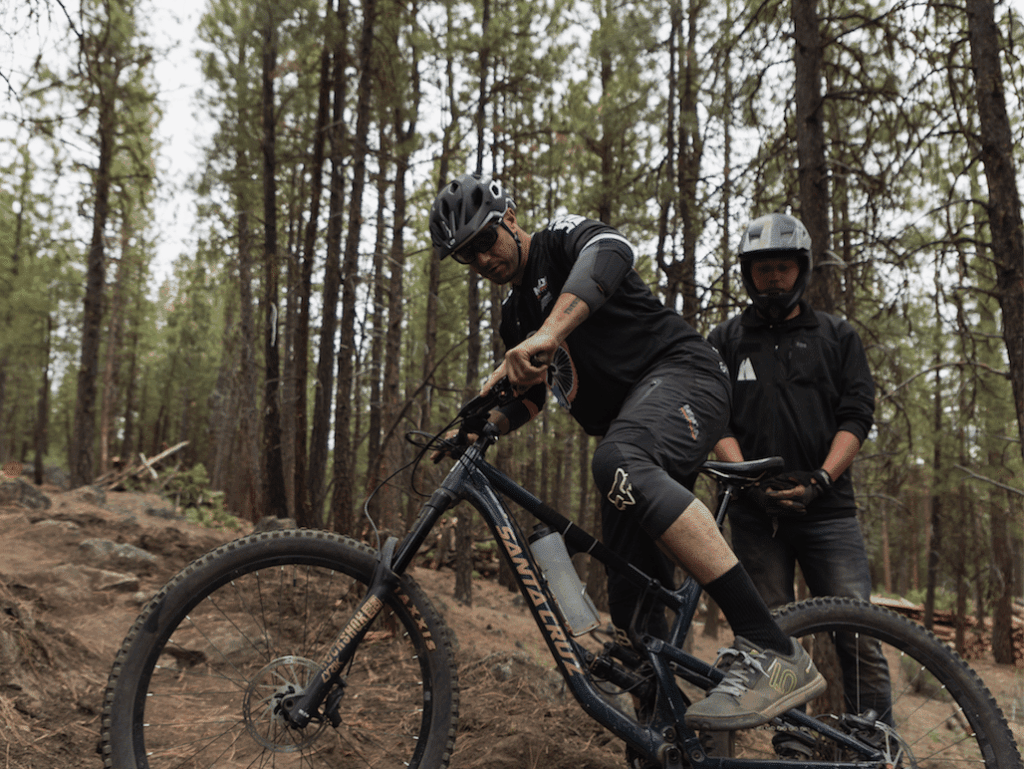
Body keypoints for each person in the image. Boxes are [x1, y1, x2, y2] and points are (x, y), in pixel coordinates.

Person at [429, 173, 825, 732]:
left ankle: (771, 649)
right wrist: (483, 426)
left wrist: (549, 332)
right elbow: (535, 397)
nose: (483, 259)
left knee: (616, 459)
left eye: (485, 241)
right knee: (633, 606)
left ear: (510, 220)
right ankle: (660, 736)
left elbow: (612, 252)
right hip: (632, 429)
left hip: (685, 376)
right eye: (468, 257)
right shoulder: (514, 318)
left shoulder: (560, 241)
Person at [707, 212, 892, 745]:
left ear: (801, 270)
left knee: (859, 637)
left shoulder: (837, 335)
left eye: (783, 268)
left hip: (828, 513)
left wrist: (820, 479)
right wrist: (745, 479)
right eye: (763, 269)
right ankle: (795, 745)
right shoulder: (724, 340)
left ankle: (877, 749)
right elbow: (713, 416)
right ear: (748, 273)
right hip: (754, 517)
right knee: (773, 642)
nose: (773, 278)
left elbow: (857, 414)